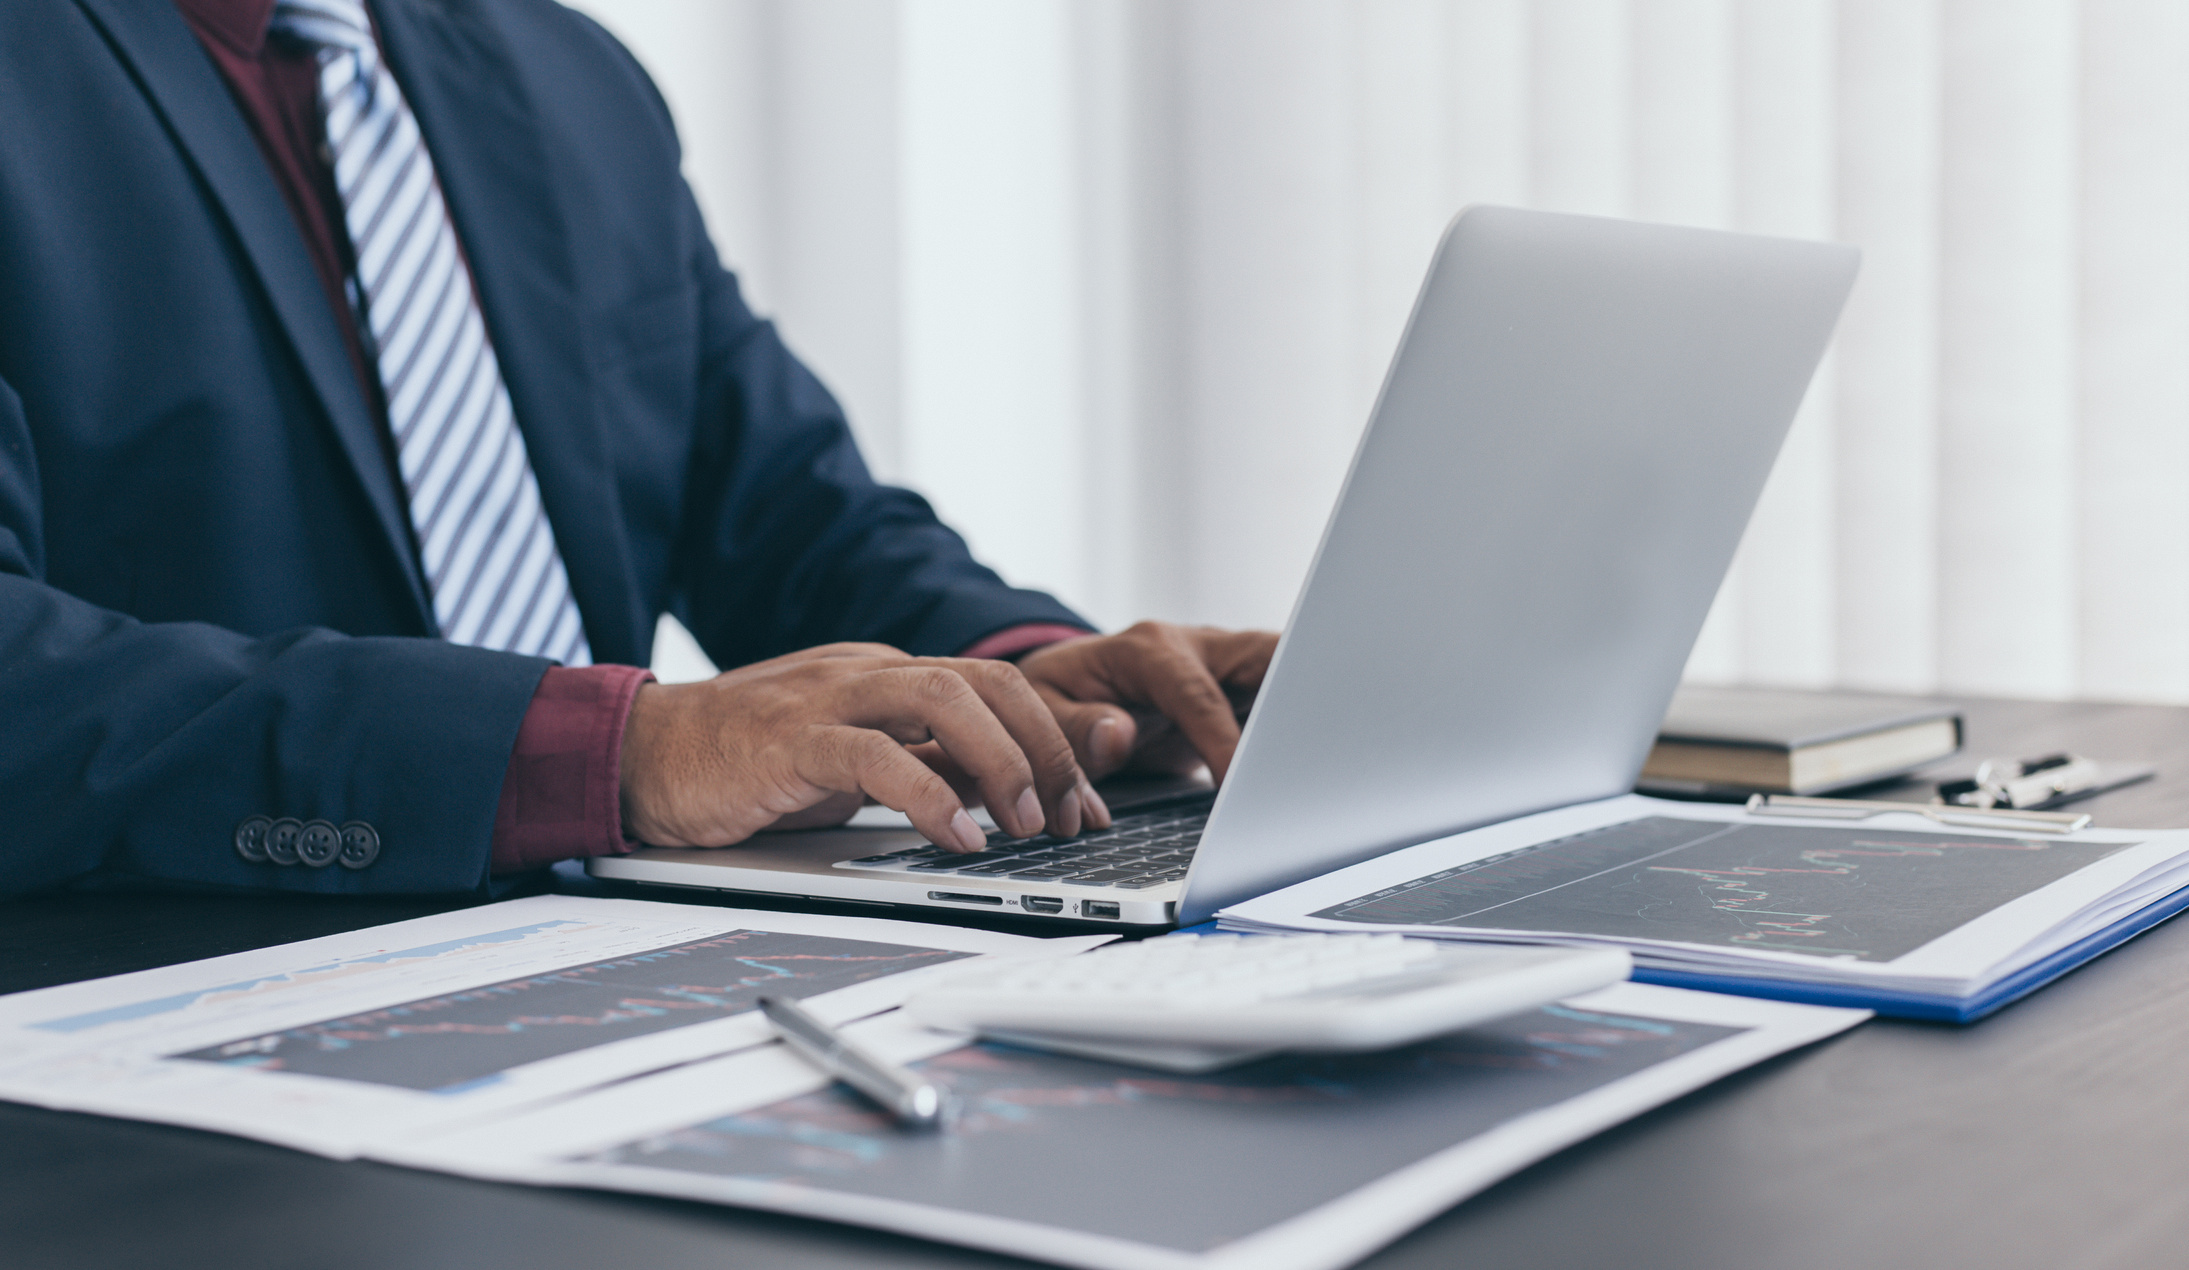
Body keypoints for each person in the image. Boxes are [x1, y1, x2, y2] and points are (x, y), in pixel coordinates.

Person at [0, 0, 1275, 897]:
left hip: (639, 953)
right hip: (185, 1007)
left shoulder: (570, 78)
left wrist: (1018, 680)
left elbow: (781, 507)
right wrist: (612, 752)